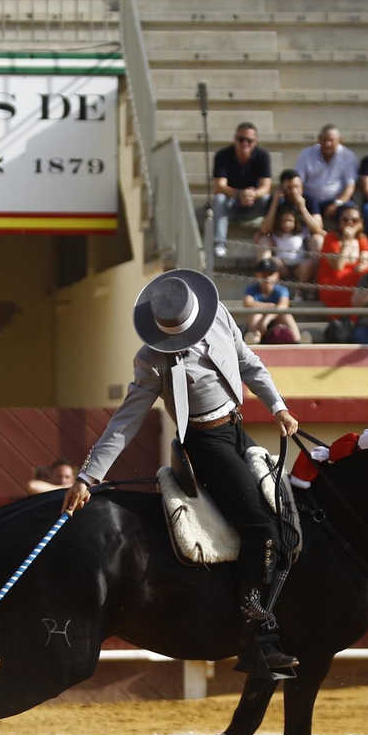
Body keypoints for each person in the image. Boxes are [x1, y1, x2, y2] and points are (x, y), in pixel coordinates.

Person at [64, 270, 302, 681]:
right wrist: (88, 477)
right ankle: (255, 634)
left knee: (284, 517)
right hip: (205, 447)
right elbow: (125, 422)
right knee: (261, 528)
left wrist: (277, 406)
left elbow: (248, 361)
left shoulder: (220, 316)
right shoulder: (152, 359)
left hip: (237, 429)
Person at [209, 122, 272, 259]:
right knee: (219, 199)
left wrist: (253, 194)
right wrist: (239, 194)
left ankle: (267, 238)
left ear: (255, 142)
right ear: (235, 139)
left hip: (252, 203)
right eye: (241, 139)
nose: (245, 143)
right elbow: (219, 186)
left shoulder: (263, 156)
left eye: (249, 140)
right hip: (231, 203)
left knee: (269, 200)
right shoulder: (223, 155)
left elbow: (266, 186)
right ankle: (220, 243)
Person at [314, 204, 368, 332]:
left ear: (360, 223)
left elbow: (365, 262)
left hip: (355, 283)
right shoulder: (330, 238)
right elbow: (338, 266)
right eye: (345, 220)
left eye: (354, 220)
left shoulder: (363, 239)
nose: (350, 223)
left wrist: (362, 265)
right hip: (334, 283)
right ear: (339, 222)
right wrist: (346, 241)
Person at [255, 178, 321, 285]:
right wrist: (275, 202)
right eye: (290, 188)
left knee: (317, 242)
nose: (294, 191)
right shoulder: (275, 202)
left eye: (297, 187)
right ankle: (266, 286)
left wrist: (302, 207)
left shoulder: (309, 199)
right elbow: (265, 230)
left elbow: (318, 230)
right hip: (281, 265)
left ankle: (308, 287)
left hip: (300, 264)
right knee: (264, 242)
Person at [293, 124, 358, 224]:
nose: (327, 144)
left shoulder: (348, 156)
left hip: (336, 200)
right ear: (319, 139)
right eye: (324, 140)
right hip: (310, 200)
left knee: (350, 212)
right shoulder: (306, 154)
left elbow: (350, 186)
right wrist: (301, 202)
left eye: (331, 140)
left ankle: (345, 238)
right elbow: (298, 182)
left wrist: (337, 204)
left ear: (339, 140)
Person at [242, 258, 298, 345]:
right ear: (257, 275)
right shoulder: (252, 289)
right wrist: (270, 306)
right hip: (259, 324)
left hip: (275, 321)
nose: (267, 277)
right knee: (255, 315)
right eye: (263, 274)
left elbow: (283, 306)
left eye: (270, 274)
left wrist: (268, 317)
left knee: (286, 315)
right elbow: (247, 303)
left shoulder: (281, 290)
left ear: (277, 275)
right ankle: (255, 339)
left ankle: (297, 339)